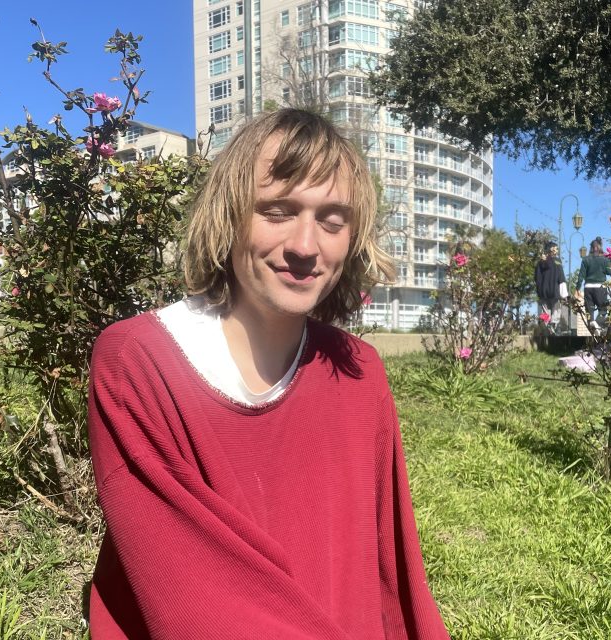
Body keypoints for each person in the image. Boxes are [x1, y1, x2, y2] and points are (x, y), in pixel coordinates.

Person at [86, 109, 450, 639]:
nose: (305, 246)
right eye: (277, 211)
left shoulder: (359, 374)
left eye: (332, 220)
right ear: (230, 213)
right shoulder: (138, 363)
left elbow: (392, 569)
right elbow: (190, 597)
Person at [576, 237, 611, 331]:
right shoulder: (604, 259)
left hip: (588, 287)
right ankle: (597, 324)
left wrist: (577, 288)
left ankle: (593, 324)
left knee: (590, 309)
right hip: (600, 287)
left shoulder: (586, 259)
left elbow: (581, 275)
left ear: (591, 248)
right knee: (603, 309)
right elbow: (610, 272)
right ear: (600, 246)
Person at [534, 240, 566, 333]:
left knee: (545, 310)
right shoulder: (557, 261)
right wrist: (564, 293)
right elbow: (561, 276)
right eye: (556, 248)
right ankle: (553, 323)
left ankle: (547, 324)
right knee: (556, 308)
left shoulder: (540, 262)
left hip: (543, 291)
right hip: (554, 290)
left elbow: (537, 277)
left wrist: (539, 290)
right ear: (552, 249)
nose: (557, 250)